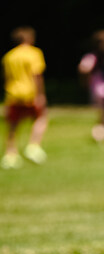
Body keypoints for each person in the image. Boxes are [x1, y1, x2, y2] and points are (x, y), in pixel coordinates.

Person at [1, 27, 48, 169]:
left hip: (13, 93)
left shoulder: (9, 56)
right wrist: (40, 94)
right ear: (29, 39)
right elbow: (36, 75)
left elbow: (5, 77)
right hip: (29, 93)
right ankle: (33, 146)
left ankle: (10, 155)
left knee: (13, 124)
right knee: (41, 118)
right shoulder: (34, 53)